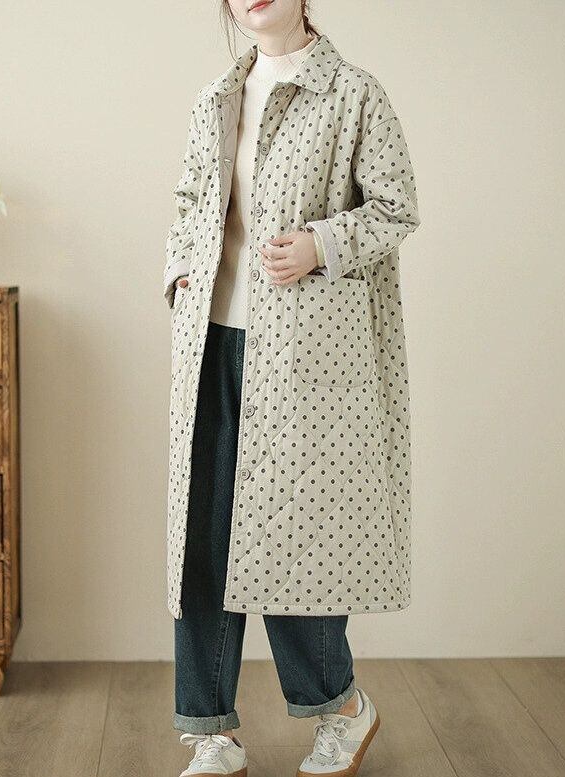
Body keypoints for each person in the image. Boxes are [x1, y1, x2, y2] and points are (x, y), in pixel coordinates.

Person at [163, 2, 421, 775]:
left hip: (306, 353)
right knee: (202, 538)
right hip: (212, 340)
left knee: (295, 535)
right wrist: (180, 271)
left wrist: (321, 243)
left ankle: (339, 706)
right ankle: (210, 730)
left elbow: (397, 206)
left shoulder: (353, 92)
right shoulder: (216, 96)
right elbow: (190, 202)